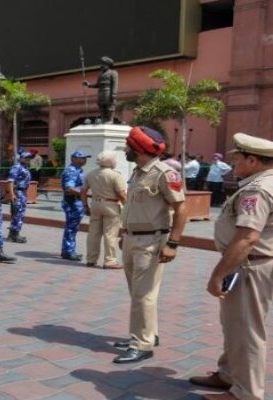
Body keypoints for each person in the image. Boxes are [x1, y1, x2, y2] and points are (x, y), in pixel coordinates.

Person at [189, 133, 273, 400]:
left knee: (245, 330)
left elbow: (247, 237)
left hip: (248, 266)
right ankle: (228, 374)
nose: (234, 163)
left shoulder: (256, 190)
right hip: (254, 263)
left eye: (238, 158)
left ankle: (246, 393)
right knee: (234, 323)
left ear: (252, 160)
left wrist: (218, 274)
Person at [112, 126, 187, 364]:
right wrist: (125, 233)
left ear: (137, 149)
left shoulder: (164, 173)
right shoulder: (137, 172)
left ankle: (141, 344)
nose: (125, 149)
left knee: (144, 294)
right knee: (138, 293)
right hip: (133, 238)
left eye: (128, 146)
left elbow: (181, 208)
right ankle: (147, 334)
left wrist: (173, 243)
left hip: (152, 240)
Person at [80, 150, 127, 269]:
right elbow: (121, 194)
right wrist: (128, 206)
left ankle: (91, 259)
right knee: (110, 234)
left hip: (95, 204)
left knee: (93, 234)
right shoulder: (115, 175)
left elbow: (83, 191)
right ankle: (109, 260)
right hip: (110, 205)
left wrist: (85, 205)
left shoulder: (91, 174)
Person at [60, 150, 90, 261]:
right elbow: (69, 189)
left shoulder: (78, 170)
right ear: (74, 159)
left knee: (72, 228)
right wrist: (85, 193)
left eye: (85, 158)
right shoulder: (72, 170)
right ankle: (68, 251)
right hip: (72, 202)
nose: (84, 160)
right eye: (82, 158)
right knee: (71, 228)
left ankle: (68, 250)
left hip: (76, 202)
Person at [6, 150, 36, 244]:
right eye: (26, 158)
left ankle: (14, 233)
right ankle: (14, 234)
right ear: (21, 158)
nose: (28, 160)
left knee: (20, 214)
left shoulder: (25, 167)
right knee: (17, 214)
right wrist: (12, 194)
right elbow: (11, 181)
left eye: (29, 158)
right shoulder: (16, 167)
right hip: (17, 192)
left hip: (23, 193)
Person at [83, 56, 119, 124]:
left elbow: (115, 84)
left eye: (103, 64)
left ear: (108, 65)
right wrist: (88, 85)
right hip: (101, 92)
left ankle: (110, 120)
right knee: (101, 106)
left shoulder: (113, 73)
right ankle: (104, 119)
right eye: (101, 64)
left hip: (108, 92)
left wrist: (114, 95)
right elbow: (98, 85)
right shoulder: (100, 74)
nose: (101, 65)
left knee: (109, 106)